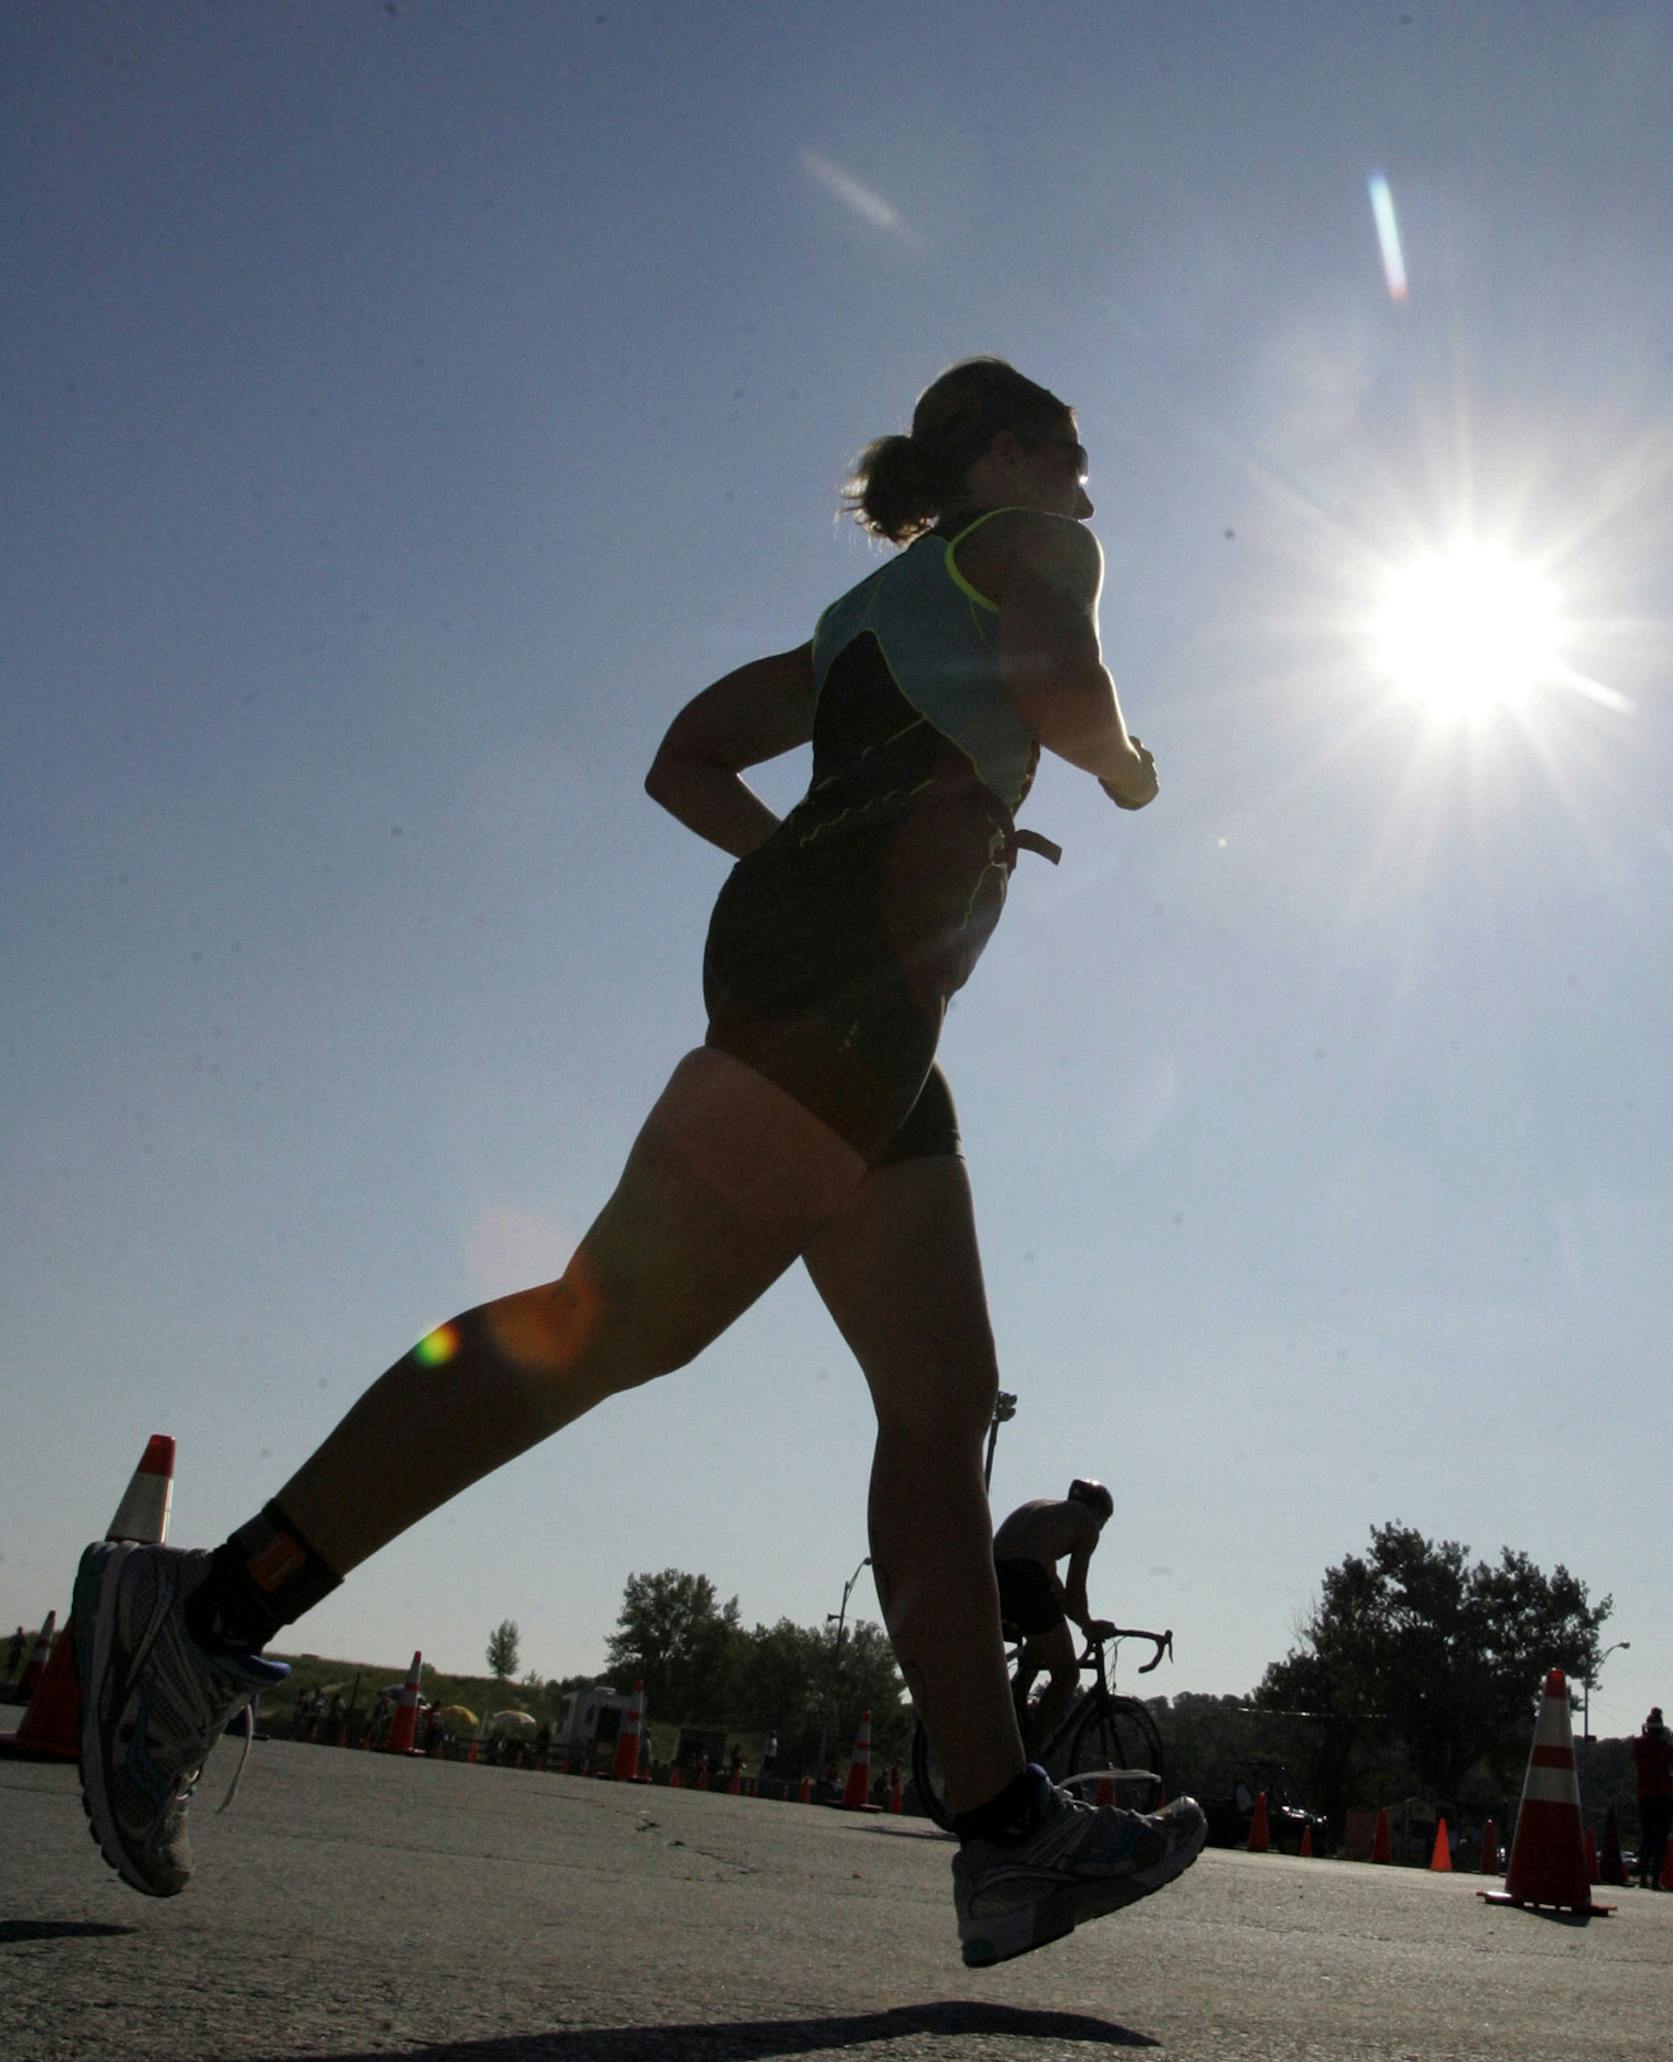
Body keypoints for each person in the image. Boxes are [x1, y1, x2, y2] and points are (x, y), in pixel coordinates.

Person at [68, 357, 1207, 1969]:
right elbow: (1071, 690)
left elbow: (684, 755)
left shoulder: (862, 616)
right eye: (1070, 452)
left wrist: (808, 853)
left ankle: (1008, 1834)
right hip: (845, 992)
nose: (1089, 487)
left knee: (941, 1401)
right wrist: (1129, 766)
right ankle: (201, 1621)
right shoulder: (1035, 547)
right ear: (1004, 456)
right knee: (603, 1327)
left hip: (866, 1003)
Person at [992, 1479, 1116, 1754]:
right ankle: (1030, 1758)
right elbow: (1075, 1589)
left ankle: (1011, 1707)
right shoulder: (1086, 1523)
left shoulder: (1042, 1511)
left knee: (1040, 1646)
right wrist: (1089, 1626)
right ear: (1098, 1513)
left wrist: (1081, 1620)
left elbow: (1061, 1600)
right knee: (1067, 1673)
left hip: (992, 1575)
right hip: (1025, 1576)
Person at [1631, 1708, 1673, 1888]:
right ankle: (1655, 1879)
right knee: (1660, 1837)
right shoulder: (1666, 1747)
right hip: (1664, 1795)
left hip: (1644, 1795)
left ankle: (1643, 1878)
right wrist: (1670, 1777)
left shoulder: (1639, 1745)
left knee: (1646, 1835)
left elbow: (1635, 1757)